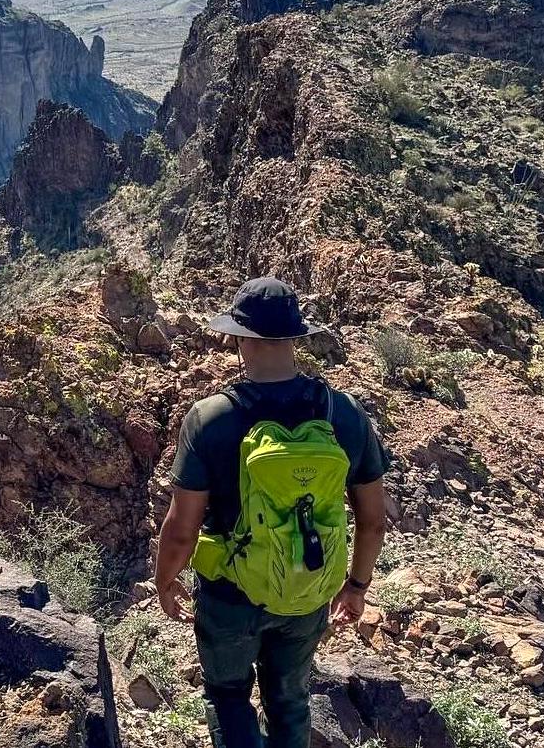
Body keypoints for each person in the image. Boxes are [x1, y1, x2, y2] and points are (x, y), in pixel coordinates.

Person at [154, 277, 389, 748]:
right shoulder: (342, 413)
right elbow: (372, 517)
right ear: (295, 337)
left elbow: (182, 527)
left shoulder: (211, 417)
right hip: (307, 585)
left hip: (229, 596)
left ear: (239, 337)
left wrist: (165, 579)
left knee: (227, 696)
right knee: (289, 699)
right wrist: (357, 585)